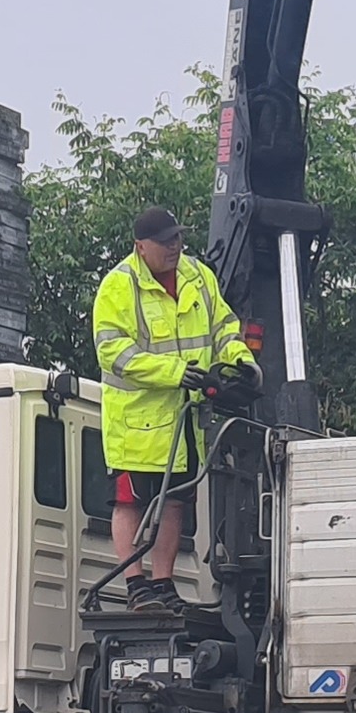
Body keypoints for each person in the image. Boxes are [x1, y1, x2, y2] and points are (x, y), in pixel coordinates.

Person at [89, 206, 255, 615]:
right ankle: (135, 586)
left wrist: (240, 363)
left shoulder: (198, 276)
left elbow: (224, 327)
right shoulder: (118, 286)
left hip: (183, 419)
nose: (174, 247)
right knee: (130, 502)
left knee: (176, 501)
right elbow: (115, 354)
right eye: (165, 241)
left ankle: (162, 584)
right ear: (140, 247)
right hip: (135, 421)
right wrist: (177, 373)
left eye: (177, 238)